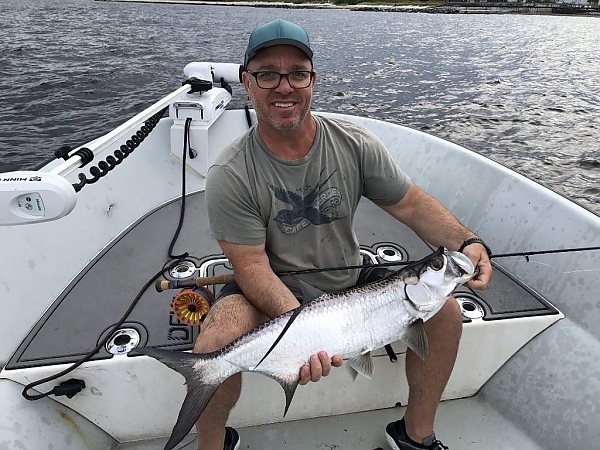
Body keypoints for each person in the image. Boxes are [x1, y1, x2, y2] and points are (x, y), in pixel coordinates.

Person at [196, 19, 492, 450]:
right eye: (267, 74)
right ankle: (211, 445)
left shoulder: (354, 144)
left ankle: (415, 436)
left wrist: (466, 242)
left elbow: (410, 203)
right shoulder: (230, 172)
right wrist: (304, 334)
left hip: (347, 282)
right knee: (216, 339)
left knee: (445, 312)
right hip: (271, 290)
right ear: (247, 82)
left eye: (297, 73)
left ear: (313, 81)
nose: (284, 87)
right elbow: (252, 266)